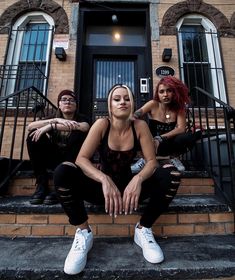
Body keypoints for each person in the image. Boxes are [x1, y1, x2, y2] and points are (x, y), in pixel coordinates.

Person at [53, 84, 181, 275]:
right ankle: (83, 233)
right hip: (102, 192)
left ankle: (143, 229)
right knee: (63, 171)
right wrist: (104, 179)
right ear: (110, 105)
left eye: (127, 98)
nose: (123, 102)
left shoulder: (140, 126)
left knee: (171, 173)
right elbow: (81, 159)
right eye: (117, 99)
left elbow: (152, 162)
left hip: (130, 191)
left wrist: (137, 179)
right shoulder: (101, 124)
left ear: (132, 103)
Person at [26, 89, 90, 205]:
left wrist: (51, 127)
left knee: (79, 133)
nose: (68, 102)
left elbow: (84, 127)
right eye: (64, 100)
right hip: (56, 159)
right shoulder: (54, 117)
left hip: (74, 160)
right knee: (33, 135)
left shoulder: (82, 118)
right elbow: (30, 126)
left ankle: (61, 186)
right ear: (59, 104)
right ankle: (42, 183)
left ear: (76, 105)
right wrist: (55, 120)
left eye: (71, 100)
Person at [131, 76, 202, 173]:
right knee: (133, 129)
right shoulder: (153, 104)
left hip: (168, 144)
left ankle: (172, 159)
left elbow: (181, 128)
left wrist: (160, 138)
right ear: (158, 94)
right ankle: (145, 160)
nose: (165, 95)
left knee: (188, 136)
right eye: (162, 92)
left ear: (174, 92)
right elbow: (136, 115)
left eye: (169, 91)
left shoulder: (179, 108)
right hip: (150, 144)